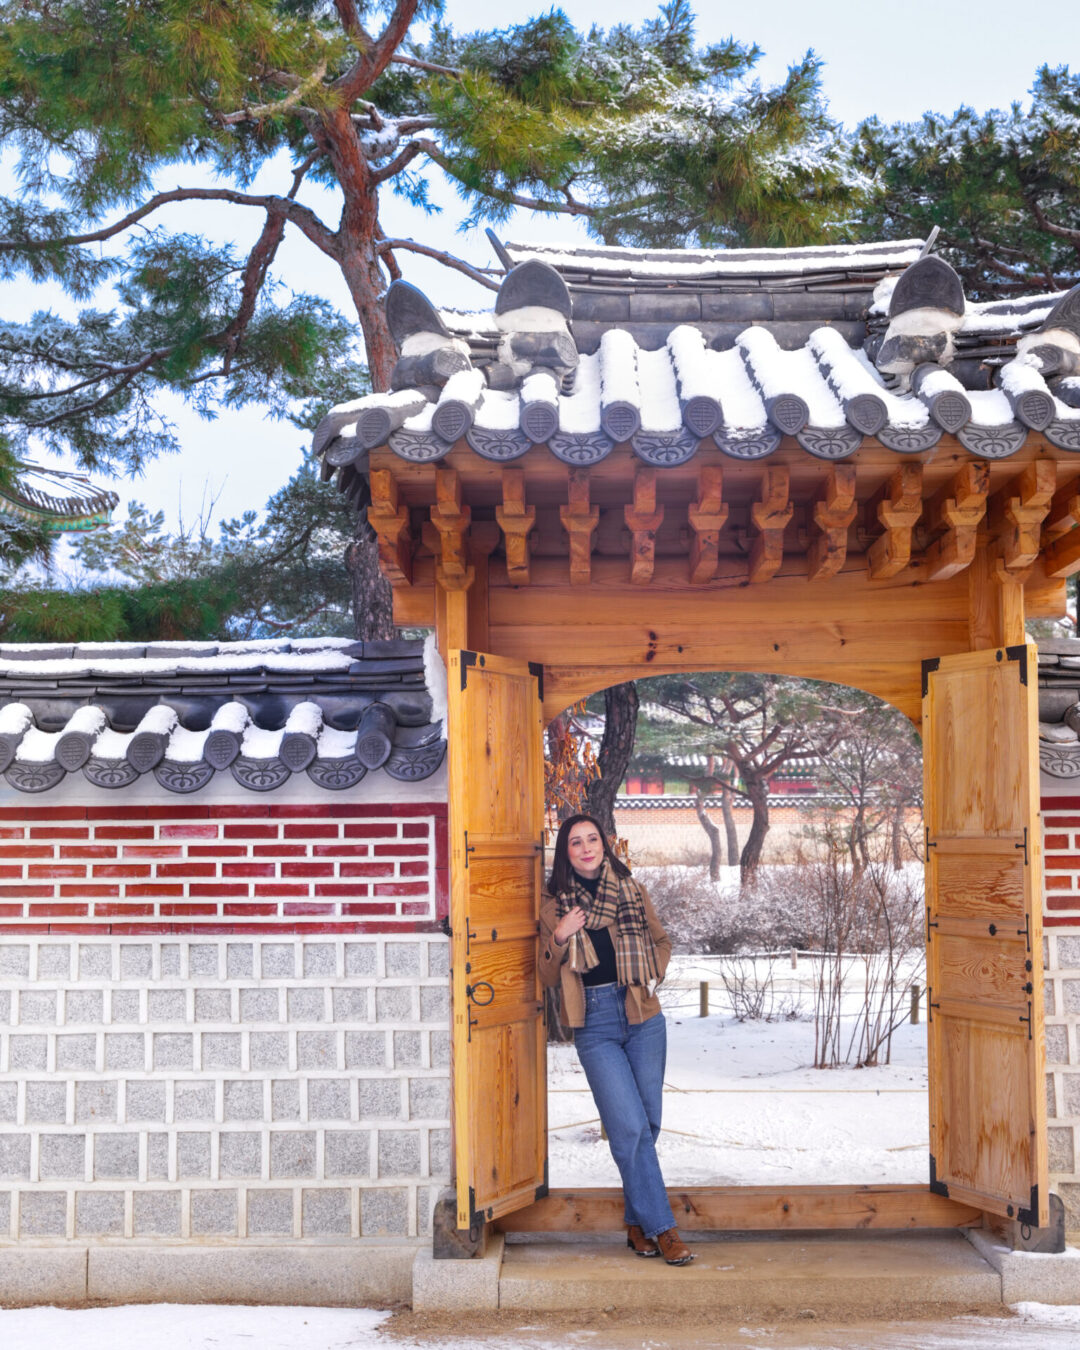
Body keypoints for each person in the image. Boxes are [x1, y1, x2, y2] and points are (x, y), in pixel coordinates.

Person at [538, 813, 694, 1266]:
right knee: (627, 1127)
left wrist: (652, 972)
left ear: (604, 845)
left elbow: (662, 942)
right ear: (565, 854)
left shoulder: (631, 889)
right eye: (575, 843)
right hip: (595, 1022)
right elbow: (546, 974)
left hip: (642, 1013)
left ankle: (636, 1222)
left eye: (593, 839)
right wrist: (562, 935)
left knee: (646, 1126)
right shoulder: (553, 906)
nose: (586, 848)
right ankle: (664, 1230)